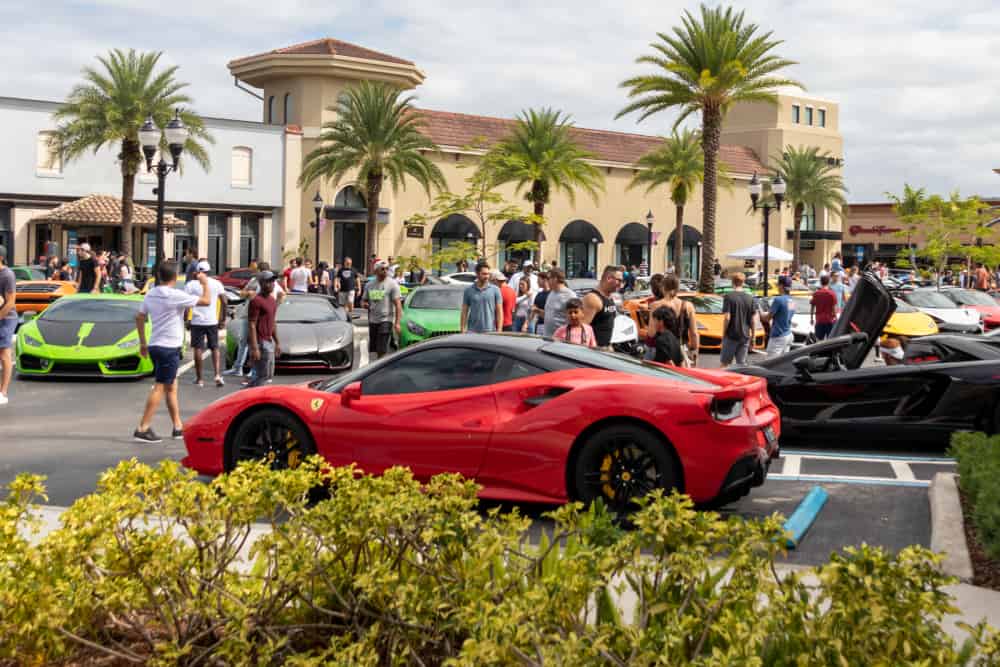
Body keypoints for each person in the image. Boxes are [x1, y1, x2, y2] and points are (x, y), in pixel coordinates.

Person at [134, 261, 212, 443]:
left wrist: (143, 343)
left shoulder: (151, 294)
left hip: (155, 344)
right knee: (161, 385)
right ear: (175, 277)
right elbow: (206, 301)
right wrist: (205, 283)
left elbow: (140, 316)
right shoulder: (176, 295)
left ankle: (178, 426)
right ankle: (143, 427)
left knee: (171, 386)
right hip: (169, 347)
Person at [185, 260, 228, 388]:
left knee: (197, 348)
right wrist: (222, 318)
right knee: (214, 348)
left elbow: (187, 304)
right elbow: (225, 301)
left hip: (197, 321)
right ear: (209, 271)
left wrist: (187, 319)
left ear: (197, 271)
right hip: (212, 320)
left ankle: (200, 379)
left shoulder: (191, 285)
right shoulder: (216, 283)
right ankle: (217, 376)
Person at [246, 271, 281, 388]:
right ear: (261, 283)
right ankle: (247, 397)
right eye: (269, 282)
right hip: (261, 343)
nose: (272, 284)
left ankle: (250, 396)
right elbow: (251, 324)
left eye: (273, 281)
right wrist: (255, 348)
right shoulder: (256, 301)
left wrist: (277, 342)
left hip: (269, 341)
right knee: (262, 376)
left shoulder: (272, 300)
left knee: (268, 375)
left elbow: (273, 322)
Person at [362, 260, 402, 360]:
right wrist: (364, 304)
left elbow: (398, 304)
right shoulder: (369, 285)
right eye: (382, 269)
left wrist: (397, 323)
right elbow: (363, 300)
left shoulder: (392, 284)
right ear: (376, 271)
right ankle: (377, 365)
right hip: (373, 320)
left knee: (382, 349)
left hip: (386, 320)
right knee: (374, 349)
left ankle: (379, 368)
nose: (385, 271)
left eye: (387, 269)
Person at [582, 265, 623, 350]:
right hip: (594, 352)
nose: (621, 284)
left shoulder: (609, 297)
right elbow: (581, 329)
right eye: (619, 280)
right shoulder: (593, 299)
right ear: (609, 278)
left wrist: (609, 345)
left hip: (606, 350)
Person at [720, 272, 755, 367]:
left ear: (732, 282)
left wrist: (723, 334)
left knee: (725, 364)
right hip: (745, 336)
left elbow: (727, 317)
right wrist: (753, 336)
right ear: (743, 282)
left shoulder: (729, 296)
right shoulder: (750, 298)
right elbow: (752, 320)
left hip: (731, 335)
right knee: (741, 365)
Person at [461, 262, 503, 334]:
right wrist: (462, 329)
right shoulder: (468, 290)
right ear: (477, 274)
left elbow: (499, 312)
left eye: (488, 274)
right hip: (472, 331)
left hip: (490, 331)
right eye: (484, 274)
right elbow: (464, 311)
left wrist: (499, 330)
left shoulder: (495, 290)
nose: (487, 276)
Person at [761, 275, 795, 357]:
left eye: (778, 285)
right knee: (782, 363)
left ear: (781, 286)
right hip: (788, 334)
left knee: (770, 364)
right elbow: (788, 315)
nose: (777, 287)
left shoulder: (778, 300)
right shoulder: (791, 300)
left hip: (778, 336)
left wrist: (760, 312)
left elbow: (766, 319)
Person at [0, 252, 16, 406]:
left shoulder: (7, 275)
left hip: (7, 318)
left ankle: (2, 392)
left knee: (4, 352)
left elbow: (10, 302)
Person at [543, 268, 576, 338]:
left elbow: (575, 317)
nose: (546, 281)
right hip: (547, 337)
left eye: (548, 278)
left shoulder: (569, 295)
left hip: (562, 338)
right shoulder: (551, 293)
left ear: (555, 279)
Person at [810, 274, 838, 341]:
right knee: (830, 341)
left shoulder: (816, 294)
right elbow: (834, 308)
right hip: (829, 321)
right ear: (828, 282)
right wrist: (835, 317)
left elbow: (812, 307)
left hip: (819, 321)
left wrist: (811, 318)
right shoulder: (832, 294)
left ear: (820, 282)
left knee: (818, 342)